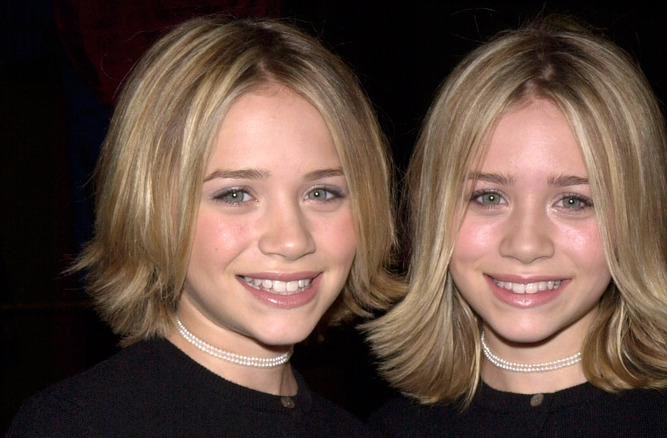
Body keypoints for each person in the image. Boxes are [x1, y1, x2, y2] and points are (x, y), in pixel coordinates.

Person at [365, 16, 667, 437]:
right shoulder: (387, 430)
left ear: (637, 218)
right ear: (432, 213)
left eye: (573, 201)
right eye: (488, 197)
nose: (526, 245)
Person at [7, 16, 399, 436]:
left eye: (321, 193)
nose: (291, 240)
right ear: (152, 207)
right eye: (235, 194)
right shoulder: (76, 425)